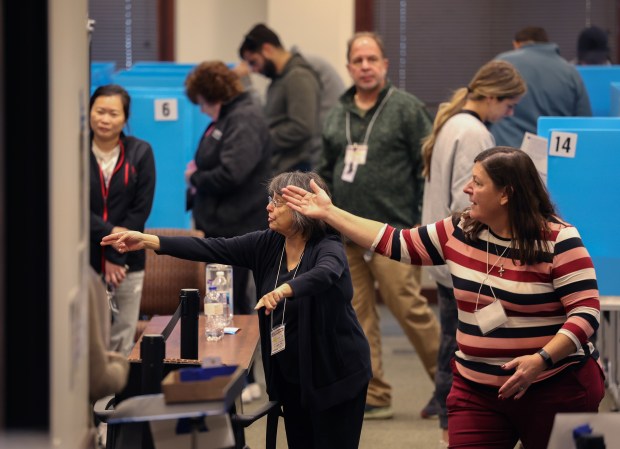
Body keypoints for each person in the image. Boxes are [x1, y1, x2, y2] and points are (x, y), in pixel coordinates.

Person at [283, 146, 604, 449]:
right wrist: (328, 212)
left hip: (553, 385)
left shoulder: (559, 240)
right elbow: (396, 242)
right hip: (476, 391)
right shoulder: (460, 229)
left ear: (506, 194)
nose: (467, 189)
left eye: (478, 183)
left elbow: (586, 313)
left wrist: (541, 360)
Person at [101, 171, 372, 449]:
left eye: (277, 202)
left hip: (336, 377)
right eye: (270, 199)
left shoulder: (327, 246)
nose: (268, 207)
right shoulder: (268, 244)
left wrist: (284, 290)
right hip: (293, 380)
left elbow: (325, 273)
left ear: (302, 210)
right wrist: (147, 241)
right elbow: (211, 247)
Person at [318, 31, 439, 420]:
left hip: (394, 233)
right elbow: (326, 168)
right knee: (358, 315)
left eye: (372, 59)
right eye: (358, 60)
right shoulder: (338, 113)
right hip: (346, 230)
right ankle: (374, 393)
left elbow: (427, 166)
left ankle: (451, 386)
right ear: (349, 66)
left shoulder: (405, 108)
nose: (365, 66)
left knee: (410, 310)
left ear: (385, 65)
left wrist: (423, 220)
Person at [421, 60, 526, 446]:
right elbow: (466, 204)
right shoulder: (474, 133)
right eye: (510, 105)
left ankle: (452, 425)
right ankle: (455, 430)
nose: (509, 114)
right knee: (460, 347)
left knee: (452, 341)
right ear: (494, 97)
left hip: (444, 259)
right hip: (460, 261)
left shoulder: (452, 123)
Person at [184, 60, 272, 403]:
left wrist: (195, 178)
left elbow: (232, 173)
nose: (202, 111)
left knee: (236, 304)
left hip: (237, 228)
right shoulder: (226, 118)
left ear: (211, 96)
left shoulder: (244, 118)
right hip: (221, 227)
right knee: (226, 302)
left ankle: (246, 376)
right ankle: (233, 372)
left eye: (202, 103)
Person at [89, 84, 156, 356]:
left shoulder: (140, 152)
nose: (105, 119)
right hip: (85, 259)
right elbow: (69, 207)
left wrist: (116, 255)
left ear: (125, 119)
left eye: (113, 113)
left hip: (128, 257)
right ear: (89, 112)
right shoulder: (71, 150)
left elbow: (141, 208)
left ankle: (118, 397)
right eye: (99, 111)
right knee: (87, 334)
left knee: (123, 336)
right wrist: (109, 232)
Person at [239, 23, 321, 174]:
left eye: (253, 62)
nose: (254, 70)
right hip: (279, 168)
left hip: (293, 171)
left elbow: (301, 127)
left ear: (267, 50)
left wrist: (262, 139)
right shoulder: (278, 80)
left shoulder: (298, 76)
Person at [491, 26, 592, 148]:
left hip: (506, 154)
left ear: (516, 44)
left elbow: (483, 105)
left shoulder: (502, 63)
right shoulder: (570, 72)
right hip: (554, 156)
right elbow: (585, 121)